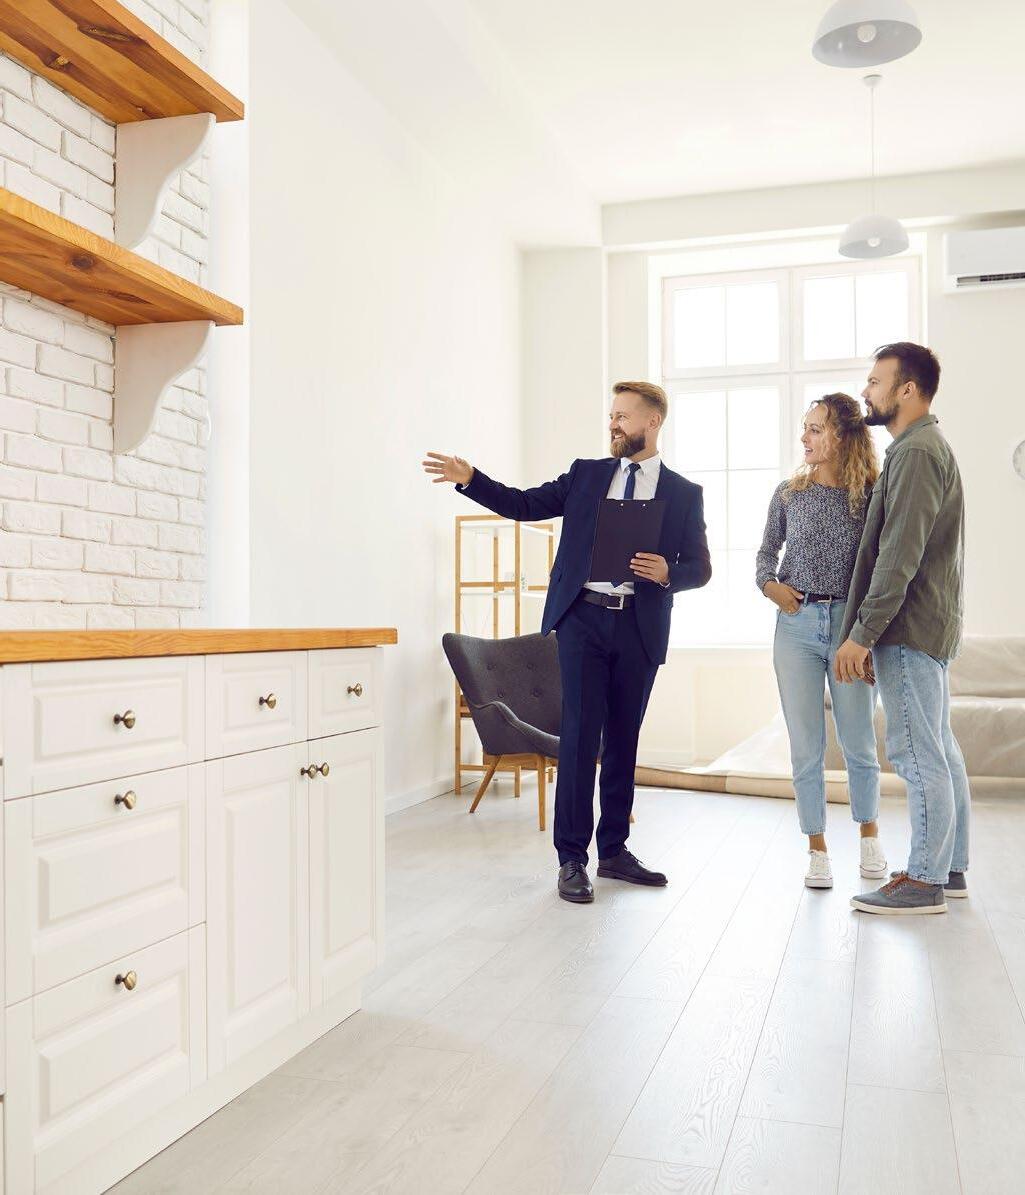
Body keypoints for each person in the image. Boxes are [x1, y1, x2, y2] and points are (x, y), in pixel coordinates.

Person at [423, 382, 711, 903]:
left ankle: (615, 852)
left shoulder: (684, 493)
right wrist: (471, 479)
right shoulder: (586, 474)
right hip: (582, 622)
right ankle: (571, 859)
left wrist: (670, 572)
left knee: (623, 740)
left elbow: (701, 567)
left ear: (652, 422)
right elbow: (523, 503)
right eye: (612, 415)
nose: (613, 424)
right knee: (580, 738)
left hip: (640, 628)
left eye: (623, 416)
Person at [835, 343, 970, 916]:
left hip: (908, 627)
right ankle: (949, 868)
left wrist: (861, 634)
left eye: (875, 381)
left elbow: (898, 557)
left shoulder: (916, 452)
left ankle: (924, 880)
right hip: (926, 625)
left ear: (907, 390)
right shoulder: (923, 448)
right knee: (940, 749)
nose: (866, 391)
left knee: (916, 753)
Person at [757, 393, 887, 891]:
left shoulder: (871, 495)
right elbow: (765, 556)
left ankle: (870, 837)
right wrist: (771, 587)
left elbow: (881, 568)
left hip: (850, 632)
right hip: (795, 627)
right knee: (806, 746)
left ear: (843, 436)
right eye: (805, 427)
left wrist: (866, 636)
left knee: (858, 741)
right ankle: (816, 848)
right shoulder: (789, 493)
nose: (805, 437)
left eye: (815, 429)